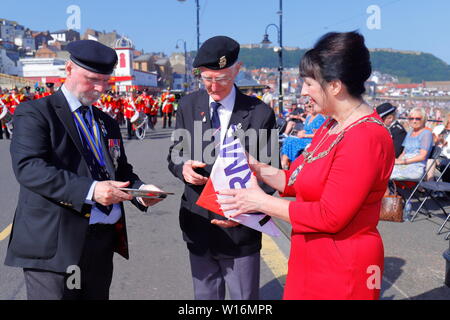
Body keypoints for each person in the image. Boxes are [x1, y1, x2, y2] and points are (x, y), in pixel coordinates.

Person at [217, 31, 395, 300]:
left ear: (334, 85)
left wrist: (259, 202)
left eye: (309, 83)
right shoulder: (331, 124)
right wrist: (254, 166)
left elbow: (329, 216)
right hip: (311, 256)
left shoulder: (365, 137)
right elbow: (295, 179)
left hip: (341, 267)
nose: (302, 92)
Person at [4, 40, 164, 300]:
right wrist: (91, 190)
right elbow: (29, 168)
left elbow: (119, 169)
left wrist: (141, 190)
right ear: (68, 69)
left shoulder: (106, 122)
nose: (100, 89)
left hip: (100, 242)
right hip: (56, 244)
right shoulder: (35, 113)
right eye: (92, 79)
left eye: (106, 81)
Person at [167, 35, 277, 300]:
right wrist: (182, 168)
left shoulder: (260, 113)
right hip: (197, 224)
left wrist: (242, 212)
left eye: (222, 79)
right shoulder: (188, 105)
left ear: (237, 70)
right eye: (207, 79)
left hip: (239, 229)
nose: (213, 87)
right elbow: (174, 153)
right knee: (204, 298)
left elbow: (270, 172)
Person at [390, 107, 433, 181]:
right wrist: (396, 161)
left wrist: (402, 162)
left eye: (418, 118)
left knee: (385, 173)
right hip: (404, 164)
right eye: (411, 118)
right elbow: (403, 152)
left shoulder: (426, 133)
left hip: (415, 168)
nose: (414, 121)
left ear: (424, 120)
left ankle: (389, 192)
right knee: (381, 169)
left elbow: (422, 156)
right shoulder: (410, 133)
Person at [280, 103, 326, 169]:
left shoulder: (320, 118)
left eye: (313, 106)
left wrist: (305, 135)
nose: (311, 108)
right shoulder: (308, 117)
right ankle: (285, 163)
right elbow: (305, 129)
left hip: (311, 139)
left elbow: (319, 134)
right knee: (288, 139)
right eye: (309, 107)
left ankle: (285, 163)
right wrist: (301, 132)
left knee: (290, 141)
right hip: (304, 137)